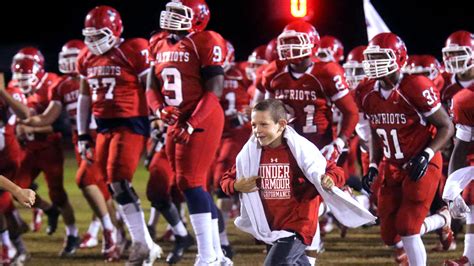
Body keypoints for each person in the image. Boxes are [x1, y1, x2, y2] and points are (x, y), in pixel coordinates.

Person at [220, 99, 371, 265]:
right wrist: (235, 186)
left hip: (298, 224)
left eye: (264, 124)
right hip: (272, 227)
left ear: (281, 124)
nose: (257, 130)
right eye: (254, 125)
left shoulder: (299, 150)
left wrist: (330, 179)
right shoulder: (251, 154)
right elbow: (226, 180)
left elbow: (336, 171)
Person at [19, 39, 125, 261]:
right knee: (103, 192)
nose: (68, 63)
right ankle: (118, 234)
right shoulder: (61, 86)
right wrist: (27, 119)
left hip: (101, 135)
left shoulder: (95, 76)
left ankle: (109, 232)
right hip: (81, 139)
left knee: (85, 180)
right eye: (65, 58)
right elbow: (49, 117)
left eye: (72, 57)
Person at [146, 0, 232, 264]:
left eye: (179, 13)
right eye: (170, 11)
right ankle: (218, 254)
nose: (171, 17)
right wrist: (160, 109)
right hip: (175, 119)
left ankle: (207, 256)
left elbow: (215, 90)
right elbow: (151, 86)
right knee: (187, 184)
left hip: (201, 117)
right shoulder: (158, 41)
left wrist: (192, 122)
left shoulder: (206, 40)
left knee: (191, 182)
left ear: (198, 18)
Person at [76, 5, 161, 265]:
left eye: (98, 35)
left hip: (130, 123)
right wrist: (82, 135)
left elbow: (152, 86)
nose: (93, 42)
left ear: (115, 30)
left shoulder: (133, 49)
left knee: (119, 180)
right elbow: (84, 97)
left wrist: (157, 117)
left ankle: (141, 244)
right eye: (89, 36)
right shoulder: (86, 57)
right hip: (103, 126)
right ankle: (145, 243)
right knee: (113, 185)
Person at [359, 32, 454, 265]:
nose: (374, 64)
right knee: (390, 235)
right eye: (372, 58)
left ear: (399, 58)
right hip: (391, 165)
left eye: (381, 57)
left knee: (409, 227)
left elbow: (446, 126)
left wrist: (427, 154)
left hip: (421, 161)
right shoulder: (366, 91)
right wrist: (373, 163)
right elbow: (375, 128)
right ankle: (442, 218)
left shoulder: (415, 86)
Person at [441, 29, 474, 266]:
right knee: (470, 195)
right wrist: (452, 188)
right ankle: (470, 258)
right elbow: (461, 146)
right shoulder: (463, 98)